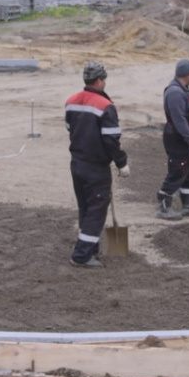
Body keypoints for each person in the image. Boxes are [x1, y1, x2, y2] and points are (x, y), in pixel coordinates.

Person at [65, 61, 129, 268]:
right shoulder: (105, 106)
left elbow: (70, 128)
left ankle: (90, 247)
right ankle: (81, 256)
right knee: (97, 209)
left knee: (85, 207)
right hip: (96, 167)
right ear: (100, 80)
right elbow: (111, 140)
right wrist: (121, 162)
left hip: (77, 163)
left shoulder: (71, 101)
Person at [156, 59, 189, 221]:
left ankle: (188, 206)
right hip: (178, 141)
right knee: (177, 172)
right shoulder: (175, 93)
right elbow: (179, 121)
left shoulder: (182, 90)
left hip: (184, 141)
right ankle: (164, 208)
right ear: (188, 74)